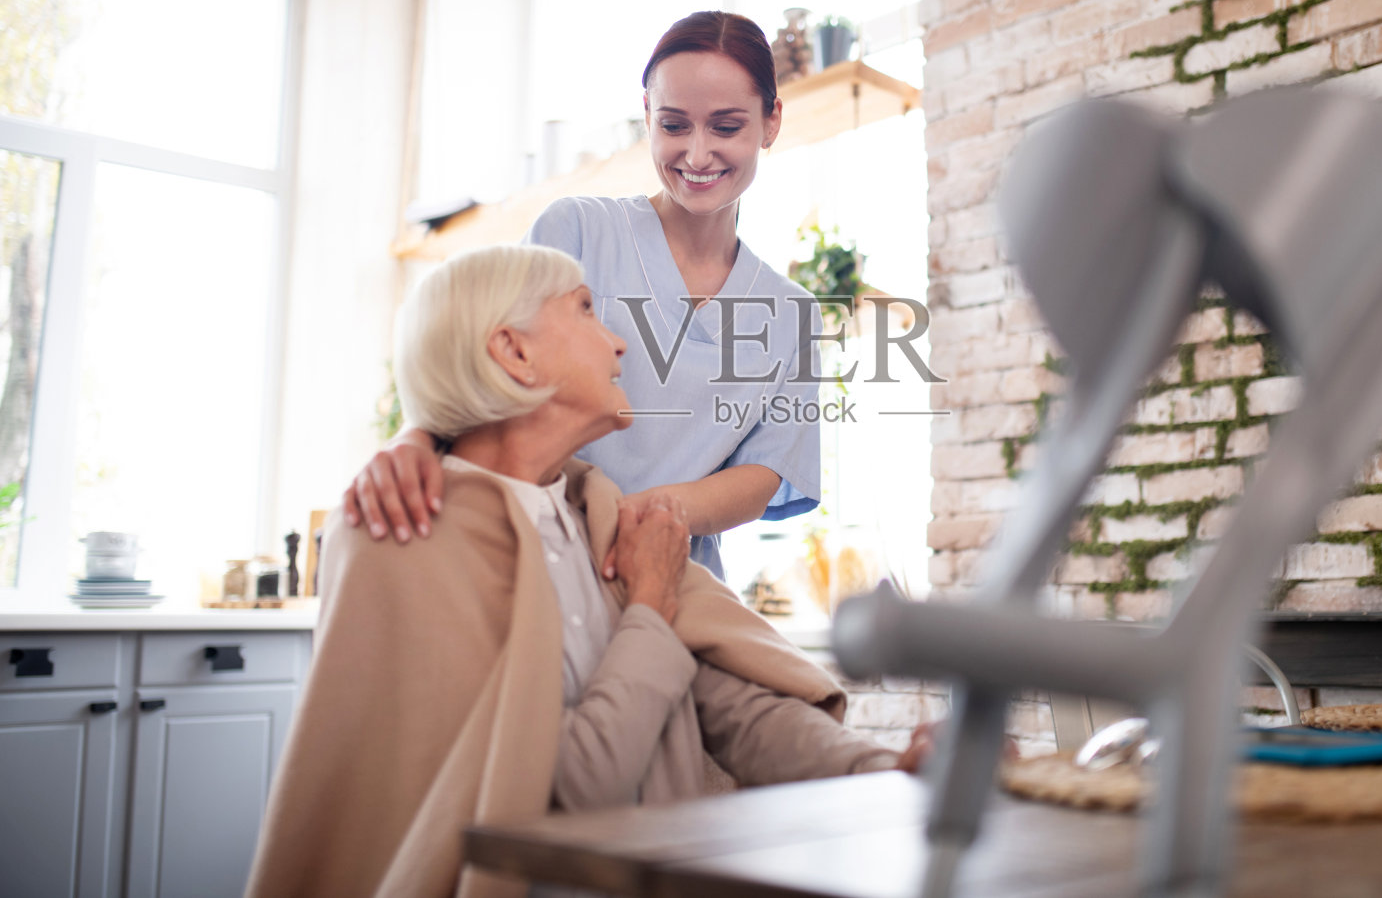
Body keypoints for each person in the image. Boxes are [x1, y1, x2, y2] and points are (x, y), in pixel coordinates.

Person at [246, 244, 920, 898]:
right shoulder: (407, 542)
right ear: (514, 351)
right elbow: (568, 793)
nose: (619, 343)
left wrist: (889, 768)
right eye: (588, 309)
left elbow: (739, 709)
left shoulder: (593, 514)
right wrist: (650, 604)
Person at [345, 11, 821, 580]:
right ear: (647, 117)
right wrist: (412, 441)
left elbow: (764, 473)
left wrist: (638, 518)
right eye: (673, 126)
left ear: (770, 123)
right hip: (529, 554)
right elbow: (471, 358)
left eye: (725, 127)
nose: (696, 155)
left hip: (669, 579)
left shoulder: (792, 315)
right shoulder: (575, 232)